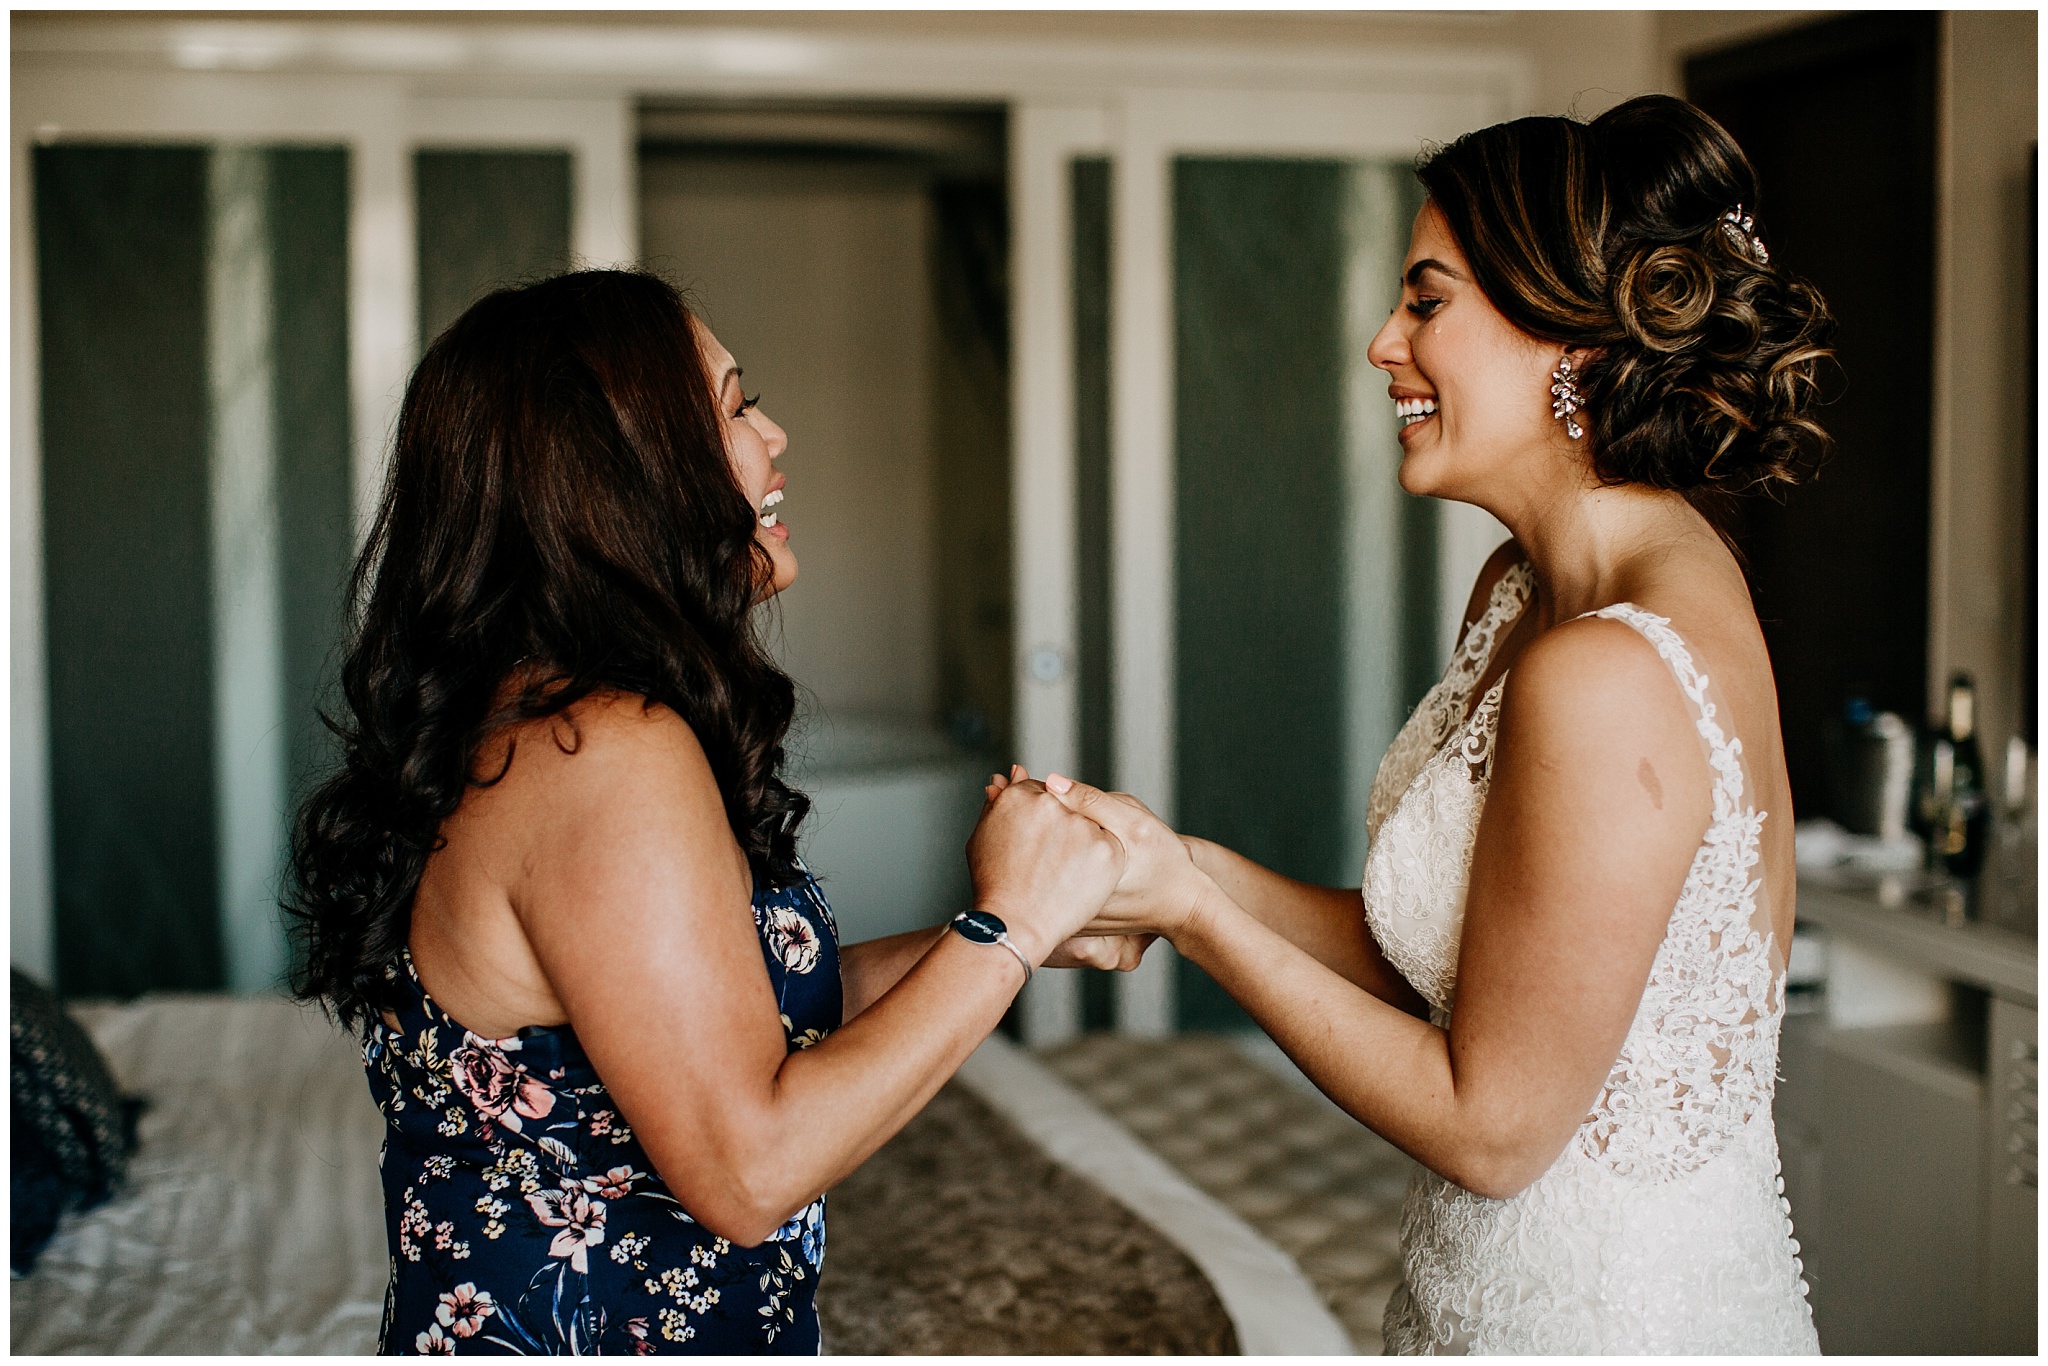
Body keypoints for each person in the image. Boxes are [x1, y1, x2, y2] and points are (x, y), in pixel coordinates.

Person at [1029, 94, 1834, 1353]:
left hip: (1608, 1319)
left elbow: (1494, 1126)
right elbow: (1443, 962)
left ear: (1565, 336)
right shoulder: (1521, 596)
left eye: (1424, 300)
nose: (1380, 346)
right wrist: (1172, 867)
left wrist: (1194, 923)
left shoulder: (1606, 665)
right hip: (1478, 1294)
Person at [286, 271, 1125, 1355]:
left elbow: (720, 1014)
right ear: (619, 474)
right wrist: (1000, 934)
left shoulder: (543, 727)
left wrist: (1031, 924)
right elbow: (748, 1169)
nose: (774, 435)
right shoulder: (599, 751)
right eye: (734, 406)